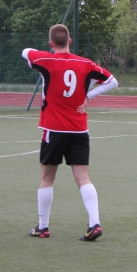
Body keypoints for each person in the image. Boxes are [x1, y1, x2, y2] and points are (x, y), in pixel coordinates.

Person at [22, 24, 118, 242]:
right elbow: (112, 82)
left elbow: (26, 52)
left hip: (53, 129)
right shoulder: (86, 64)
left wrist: (47, 52)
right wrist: (88, 96)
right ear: (70, 41)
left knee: (47, 178)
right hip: (79, 128)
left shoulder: (45, 60)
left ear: (50, 43)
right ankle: (94, 223)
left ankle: (43, 227)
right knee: (83, 177)